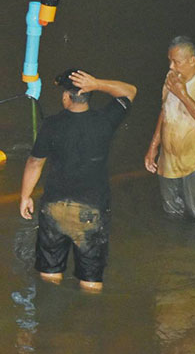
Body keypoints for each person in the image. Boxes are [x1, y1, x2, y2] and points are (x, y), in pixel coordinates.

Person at [20, 69, 137, 293]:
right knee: (91, 280)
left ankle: (49, 317)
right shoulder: (106, 120)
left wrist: (25, 196)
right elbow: (130, 91)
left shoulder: (51, 124)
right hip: (91, 210)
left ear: (66, 97)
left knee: (49, 274)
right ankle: (88, 321)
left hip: (54, 208)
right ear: (89, 93)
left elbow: (35, 162)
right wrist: (98, 83)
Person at [144, 36, 195, 221]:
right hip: (169, 163)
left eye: (176, 62)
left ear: (192, 60)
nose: (171, 67)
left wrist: (183, 94)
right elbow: (164, 111)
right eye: (170, 61)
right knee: (173, 217)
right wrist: (153, 147)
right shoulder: (171, 78)